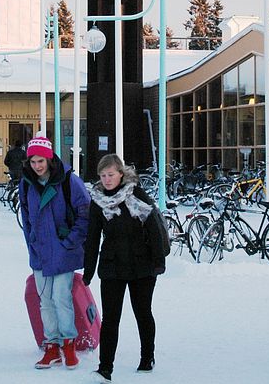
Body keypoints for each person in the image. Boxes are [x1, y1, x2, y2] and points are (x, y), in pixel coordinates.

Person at [83, 154, 166, 382]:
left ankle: (147, 357)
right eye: (103, 175)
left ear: (121, 173)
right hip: (112, 266)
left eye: (111, 174)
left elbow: (154, 229)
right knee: (110, 319)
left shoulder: (136, 194)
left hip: (142, 265)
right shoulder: (98, 200)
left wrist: (159, 262)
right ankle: (105, 367)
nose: (107, 179)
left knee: (142, 312)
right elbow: (92, 238)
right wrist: (88, 271)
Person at [19, 135, 90, 370]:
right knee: (45, 301)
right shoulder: (26, 182)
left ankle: (68, 343)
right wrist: (31, 241)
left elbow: (85, 212)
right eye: (33, 162)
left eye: (41, 161)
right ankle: (52, 345)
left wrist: (70, 240)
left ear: (49, 159)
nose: (37, 166)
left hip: (63, 250)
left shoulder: (69, 180)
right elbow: (26, 215)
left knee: (61, 297)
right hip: (40, 250)